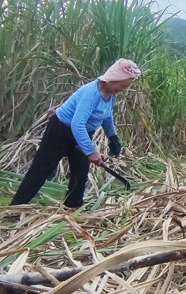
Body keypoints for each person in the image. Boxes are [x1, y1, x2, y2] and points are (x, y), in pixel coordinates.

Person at [11, 58, 141, 209]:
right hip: (60, 130)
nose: (124, 89)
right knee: (42, 169)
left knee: (80, 173)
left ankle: (72, 209)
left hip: (83, 134)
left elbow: (107, 115)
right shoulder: (91, 94)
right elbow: (77, 124)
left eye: (127, 86)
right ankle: (16, 207)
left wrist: (112, 137)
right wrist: (91, 151)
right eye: (123, 85)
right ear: (112, 79)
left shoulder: (111, 95)